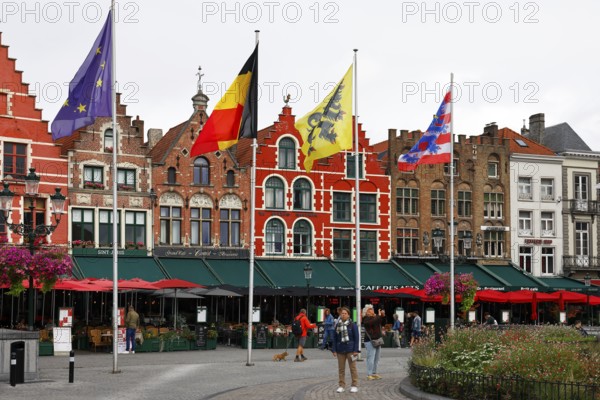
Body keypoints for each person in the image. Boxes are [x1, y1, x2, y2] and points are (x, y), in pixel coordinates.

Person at [332, 306, 359, 393]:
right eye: (342, 313)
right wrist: (334, 350)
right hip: (340, 350)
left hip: (351, 350)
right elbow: (335, 338)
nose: (343, 315)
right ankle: (341, 385)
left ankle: (354, 385)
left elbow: (356, 338)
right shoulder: (337, 325)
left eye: (345, 313)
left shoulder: (353, 325)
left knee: (353, 368)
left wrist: (356, 350)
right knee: (341, 369)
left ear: (348, 315)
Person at [362, 304, 384, 380]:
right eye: (370, 309)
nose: (372, 310)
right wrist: (378, 316)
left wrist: (381, 315)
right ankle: (369, 374)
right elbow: (372, 322)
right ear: (367, 311)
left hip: (377, 339)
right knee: (371, 358)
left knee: (377, 358)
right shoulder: (366, 318)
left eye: (372, 308)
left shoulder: (375, 317)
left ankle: (374, 373)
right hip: (369, 340)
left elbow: (380, 321)